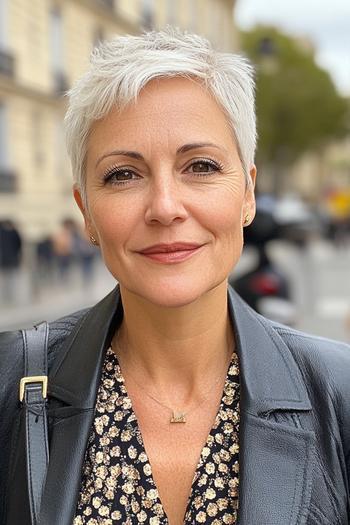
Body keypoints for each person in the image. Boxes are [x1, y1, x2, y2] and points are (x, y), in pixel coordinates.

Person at [0, 28, 349, 525]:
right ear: (87, 214)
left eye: (200, 166)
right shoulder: (10, 380)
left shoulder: (340, 392)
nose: (165, 207)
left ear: (247, 194)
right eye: (123, 174)